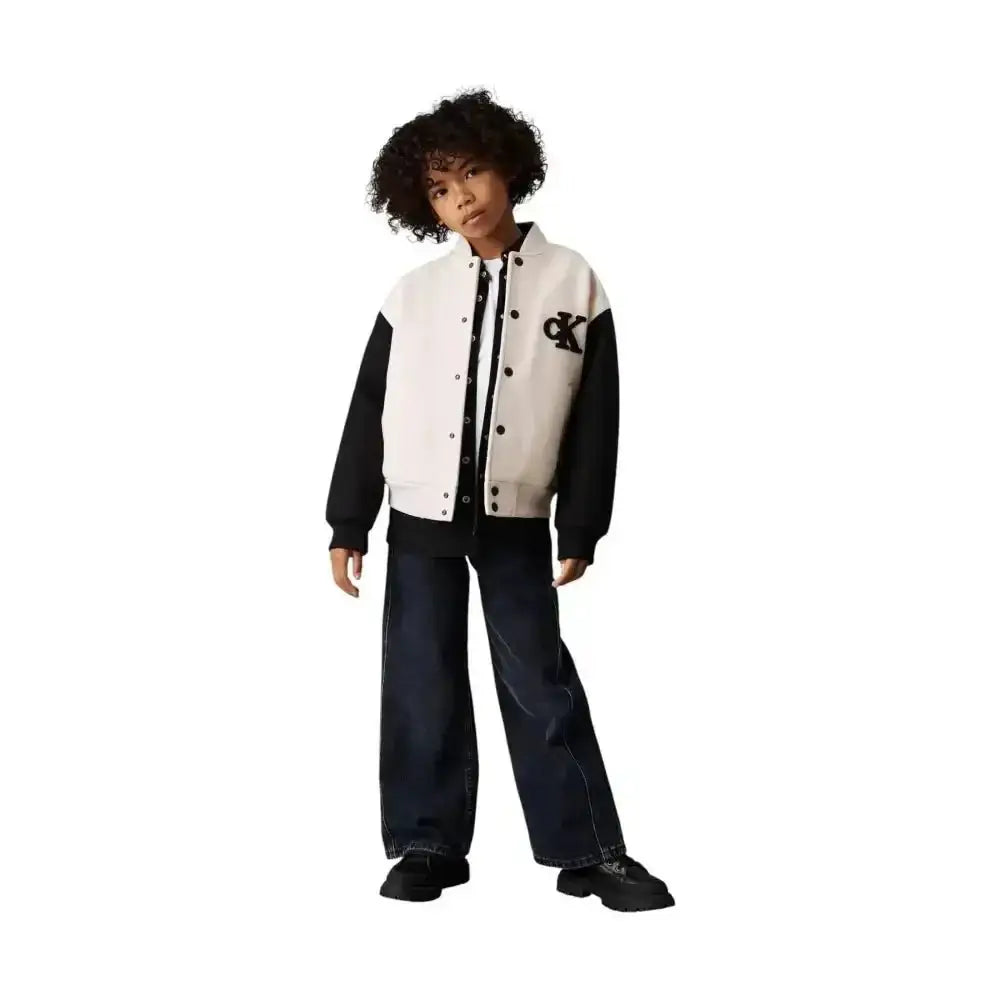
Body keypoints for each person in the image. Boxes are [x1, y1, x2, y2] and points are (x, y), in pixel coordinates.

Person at [325, 88, 674, 912]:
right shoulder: (412, 294)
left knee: (539, 683)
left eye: (473, 173)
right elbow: (370, 408)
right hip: (419, 518)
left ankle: (588, 850)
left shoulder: (573, 281)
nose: (463, 199)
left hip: (516, 519)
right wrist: (348, 519)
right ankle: (426, 843)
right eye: (440, 189)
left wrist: (581, 524)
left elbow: (595, 415)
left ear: (509, 166)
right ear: (423, 206)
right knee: (421, 681)